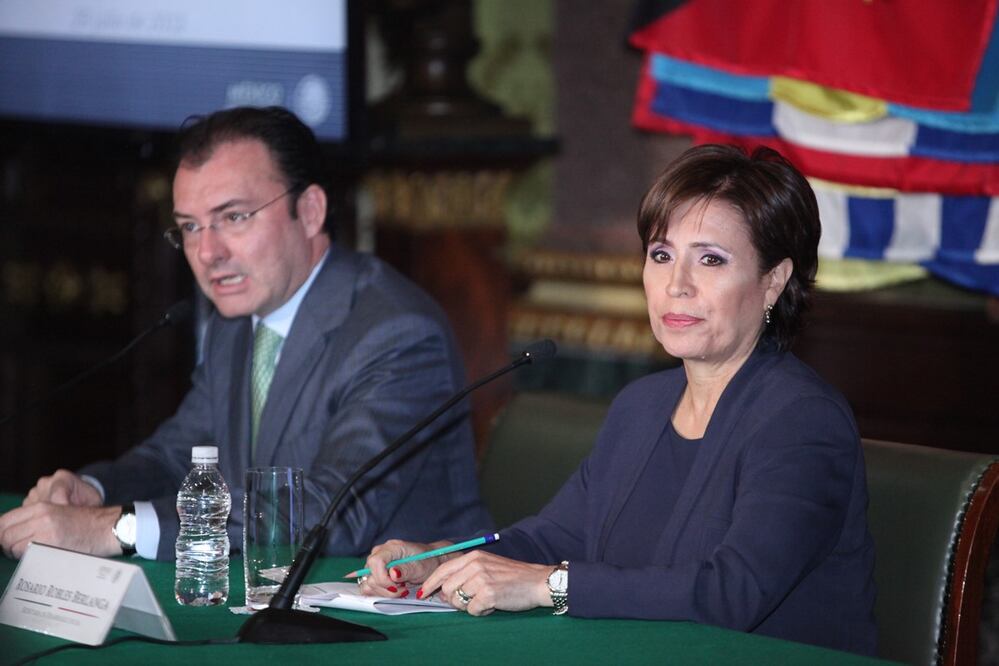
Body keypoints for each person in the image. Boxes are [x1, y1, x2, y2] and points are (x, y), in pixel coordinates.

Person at [357, 144, 877, 655]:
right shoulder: (642, 406)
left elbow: (730, 594)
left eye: (711, 260)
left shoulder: (801, 420)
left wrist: (550, 587)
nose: (677, 285)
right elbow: (549, 541)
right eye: (661, 255)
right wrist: (439, 559)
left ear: (773, 282)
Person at [0, 106, 491, 561]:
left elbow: (332, 513)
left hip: (405, 616)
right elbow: (181, 457)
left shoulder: (395, 333)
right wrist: (95, 490)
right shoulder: (234, 322)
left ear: (312, 210)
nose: (208, 252)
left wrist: (117, 529)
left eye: (233, 217)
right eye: (190, 227)